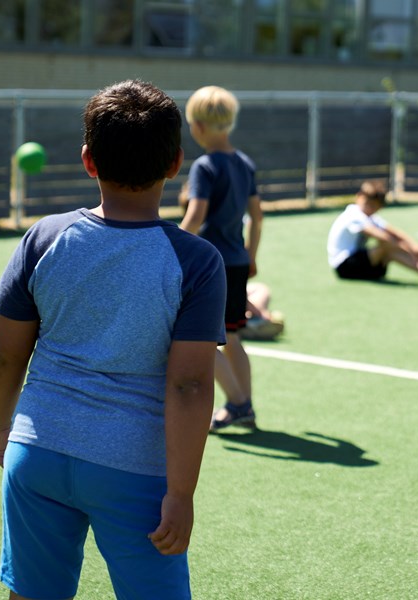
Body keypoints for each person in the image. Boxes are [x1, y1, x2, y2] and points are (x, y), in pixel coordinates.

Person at [0, 80, 226, 599]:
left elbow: (5, 355)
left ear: (88, 160)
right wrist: (181, 493)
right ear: (175, 163)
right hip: (133, 469)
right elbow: (189, 386)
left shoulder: (44, 237)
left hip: (37, 450)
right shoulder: (196, 261)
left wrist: (4, 427)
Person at [179, 85, 264, 433]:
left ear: (197, 127)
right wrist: (252, 255)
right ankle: (245, 406)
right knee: (233, 337)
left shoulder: (204, 166)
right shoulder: (245, 163)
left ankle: (238, 403)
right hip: (238, 262)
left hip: (213, 267)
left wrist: (173, 245)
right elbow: (258, 217)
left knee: (205, 340)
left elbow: (195, 215)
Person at [326, 179, 418, 286]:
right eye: (368, 204)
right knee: (386, 246)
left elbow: (396, 233)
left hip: (362, 266)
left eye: (374, 207)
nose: (370, 209)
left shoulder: (369, 216)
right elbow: (383, 237)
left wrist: (416, 249)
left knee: (391, 248)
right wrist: (411, 252)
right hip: (345, 267)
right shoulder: (354, 214)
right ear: (359, 197)